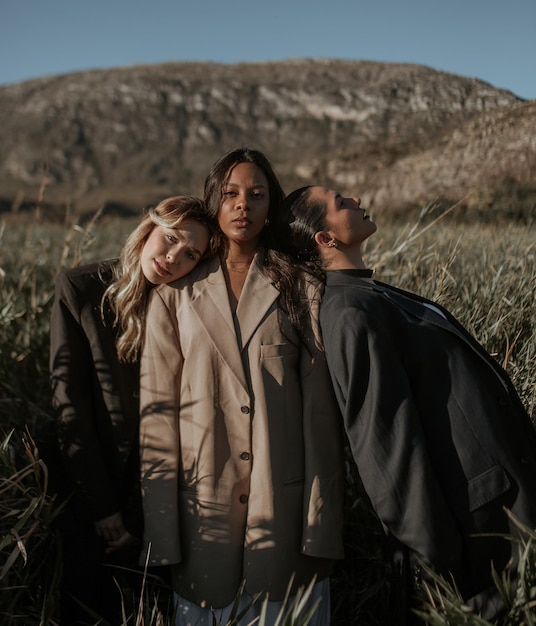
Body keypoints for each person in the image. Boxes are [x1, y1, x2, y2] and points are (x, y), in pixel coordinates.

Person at [276, 185, 536, 621]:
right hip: (481, 534)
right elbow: (387, 451)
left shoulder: (373, 294)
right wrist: (436, 574)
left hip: (504, 508)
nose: (356, 197)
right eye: (341, 201)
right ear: (326, 238)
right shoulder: (349, 314)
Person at [139, 148, 345, 626]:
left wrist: (320, 528)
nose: (242, 205)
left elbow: (321, 419)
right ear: (213, 201)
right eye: (230, 193)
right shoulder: (175, 295)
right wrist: (163, 536)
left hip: (286, 515)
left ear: (271, 205)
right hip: (202, 522)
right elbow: (157, 421)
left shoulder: (302, 287)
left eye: (256, 194)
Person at [48, 195, 215, 625]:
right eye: (171, 239)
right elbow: (70, 408)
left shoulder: (187, 305)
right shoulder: (81, 290)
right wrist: (103, 510)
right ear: (148, 230)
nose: (173, 257)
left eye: (190, 253)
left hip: (162, 501)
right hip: (92, 495)